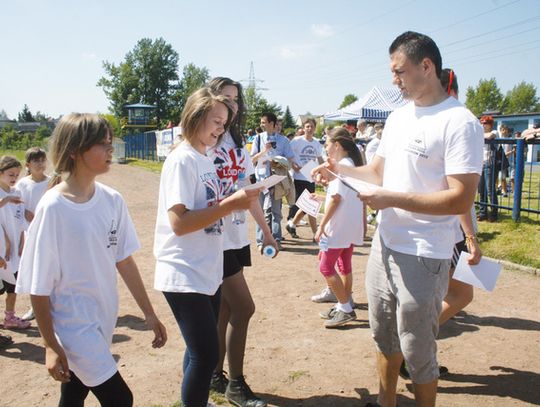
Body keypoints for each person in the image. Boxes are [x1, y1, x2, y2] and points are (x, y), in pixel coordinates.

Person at [313, 31, 483, 407]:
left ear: (427, 66)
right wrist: (340, 170)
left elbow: (461, 197)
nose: (394, 80)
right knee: (384, 338)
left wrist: (388, 198)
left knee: (418, 349)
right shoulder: (399, 117)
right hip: (384, 246)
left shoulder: (460, 122)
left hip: (424, 254)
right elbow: (376, 172)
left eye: (399, 71)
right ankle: (385, 402)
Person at [15, 113, 167, 406]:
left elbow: (124, 260)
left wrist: (149, 313)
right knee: (120, 399)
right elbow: (39, 285)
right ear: (75, 150)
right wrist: (49, 344)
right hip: (74, 326)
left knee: (74, 392)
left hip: (103, 318)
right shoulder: (53, 208)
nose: (111, 149)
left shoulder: (112, 200)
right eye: (103, 144)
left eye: (111, 142)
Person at [154, 87, 261, 407]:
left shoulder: (203, 157)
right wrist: (230, 205)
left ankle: (196, 401)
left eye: (225, 124)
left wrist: (238, 200)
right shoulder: (183, 160)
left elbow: (209, 207)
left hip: (206, 268)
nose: (221, 129)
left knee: (198, 350)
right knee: (206, 354)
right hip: (184, 270)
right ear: (196, 116)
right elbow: (180, 222)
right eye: (216, 121)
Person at [399, 68, 484, 380]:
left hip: (445, 229)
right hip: (451, 230)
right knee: (459, 296)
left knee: (457, 295)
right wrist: (470, 237)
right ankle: (411, 350)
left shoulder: (440, 121)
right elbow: (456, 194)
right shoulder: (459, 123)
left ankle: (412, 349)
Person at [206, 77, 277, 407]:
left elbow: (248, 193)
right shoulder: (205, 139)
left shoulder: (237, 143)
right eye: (225, 97)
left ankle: (214, 374)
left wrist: (267, 231)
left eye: (235, 99)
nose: (232, 104)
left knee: (226, 309)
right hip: (213, 239)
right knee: (244, 308)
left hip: (235, 237)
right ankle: (235, 384)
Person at [312, 128, 364, 328]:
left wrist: (321, 225)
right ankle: (345, 302)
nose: (325, 148)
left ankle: (345, 308)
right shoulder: (351, 165)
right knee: (344, 264)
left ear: (337, 146)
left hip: (339, 226)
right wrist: (323, 196)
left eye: (326, 144)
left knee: (325, 266)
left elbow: (336, 198)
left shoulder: (341, 167)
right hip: (350, 224)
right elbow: (341, 197)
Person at [16, 147, 51, 322]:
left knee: (50, 268)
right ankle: (34, 307)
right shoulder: (22, 184)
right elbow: (16, 205)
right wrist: (25, 212)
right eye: (35, 161)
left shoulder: (52, 182)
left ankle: (51, 304)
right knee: (33, 268)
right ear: (28, 165)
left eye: (42, 160)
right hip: (30, 233)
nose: (39, 163)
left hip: (49, 233)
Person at [250, 112, 295, 248]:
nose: (261, 125)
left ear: (272, 124)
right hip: (261, 180)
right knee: (261, 212)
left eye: (264, 122)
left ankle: (276, 240)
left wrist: (279, 162)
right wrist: (264, 151)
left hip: (277, 181)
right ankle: (260, 241)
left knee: (276, 212)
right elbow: (252, 160)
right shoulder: (258, 139)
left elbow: (290, 161)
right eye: (261, 122)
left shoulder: (284, 141)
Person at [0, 156, 30, 330]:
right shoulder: (5, 196)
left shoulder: (16, 193)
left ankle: (9, 317)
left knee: (13, 287)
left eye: (17, 175)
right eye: (10, 174)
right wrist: (6, 201)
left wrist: (20, 241)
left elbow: (19, 222)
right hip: (1, 249)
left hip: (13, 252)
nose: (14, 178)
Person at [286, 117, 324, 240]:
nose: (309, 128)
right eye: (307, 126)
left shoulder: (316, 143)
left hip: (311, 176)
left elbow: (320, 159)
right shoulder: (297, 141)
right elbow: (288, 154)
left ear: (315, 128)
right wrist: (293, 164)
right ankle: (315, 234)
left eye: (312, 126)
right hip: (299, 177)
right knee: (308, 205)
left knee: (309, 205)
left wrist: (323, 171)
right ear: (303, 128)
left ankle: (292, 224)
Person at [477, 115, 498, 222]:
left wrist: (479, 136)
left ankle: (494, 213)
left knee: (490, 190)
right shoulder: (479, 133)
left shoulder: (495, 131)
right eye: (482, 123)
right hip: (480, 164)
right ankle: (483, 212)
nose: (483, 125)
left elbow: (490, 136)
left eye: (485, 123)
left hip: (489, 163)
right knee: (482, 190)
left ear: (490, 124)